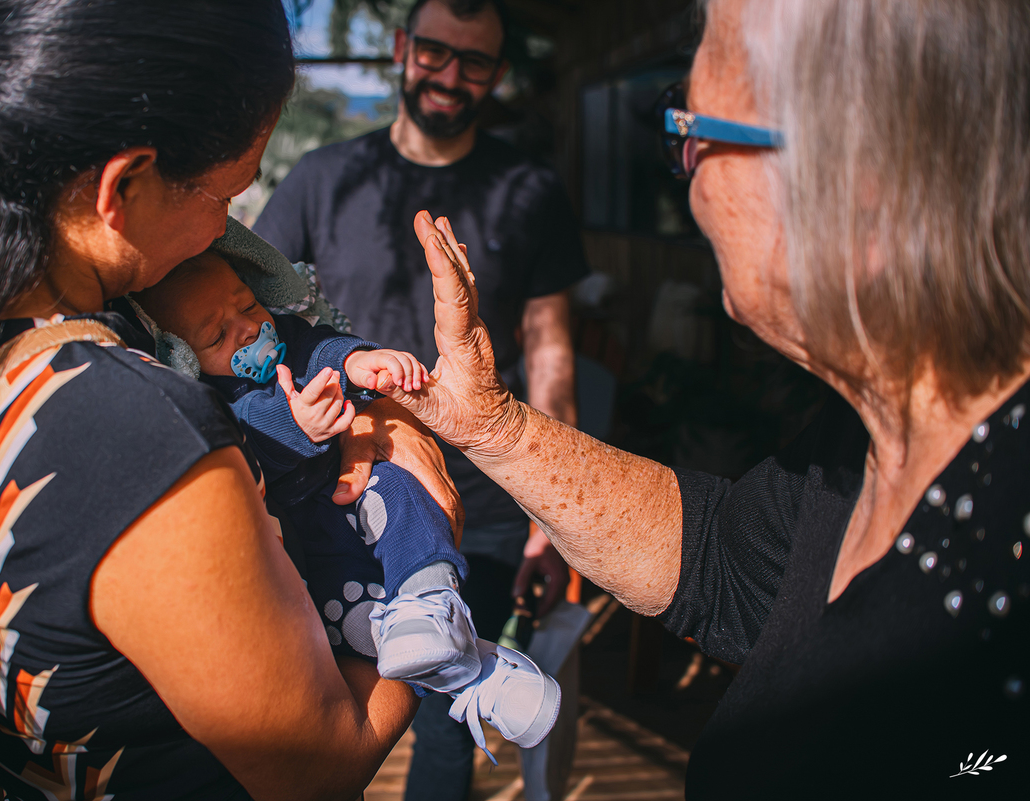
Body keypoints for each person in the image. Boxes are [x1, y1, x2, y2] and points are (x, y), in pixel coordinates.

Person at [382, 0, 1030, 798]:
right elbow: (723, 558)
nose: (686, 184)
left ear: (851, 172)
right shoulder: (861, 438)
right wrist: (494, 426)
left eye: (690, 136)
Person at [0, 2, 460, 799]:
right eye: (227, 192)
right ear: (123, 185)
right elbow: (322, 757)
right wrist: (425, 568)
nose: (228, 228)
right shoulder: (131, 427)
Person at [253, 1, 587, 793]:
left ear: (498, 76)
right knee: (310, 705)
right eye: (435, 52)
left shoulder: (529, 189)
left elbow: (551, 348)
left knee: (445, 725)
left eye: (476, 63)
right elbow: (249, 326)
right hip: (330, 493)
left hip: (486, 504)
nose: (451, 76)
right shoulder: (320, 180)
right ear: (403, 48)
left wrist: (556, 516)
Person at [132, 250, 561, 758]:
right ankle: (472, 674)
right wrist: (296, 425)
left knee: (401, 488)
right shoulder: (206, 398)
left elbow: (320, 347)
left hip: (356, 487)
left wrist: (358, 363)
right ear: (181, 357)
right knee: (353, 625)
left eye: (247, 305)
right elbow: (240, 442)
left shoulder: (285, 339)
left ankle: (429, 598)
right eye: (215, 336)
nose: (245, 329)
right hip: (309, 544)